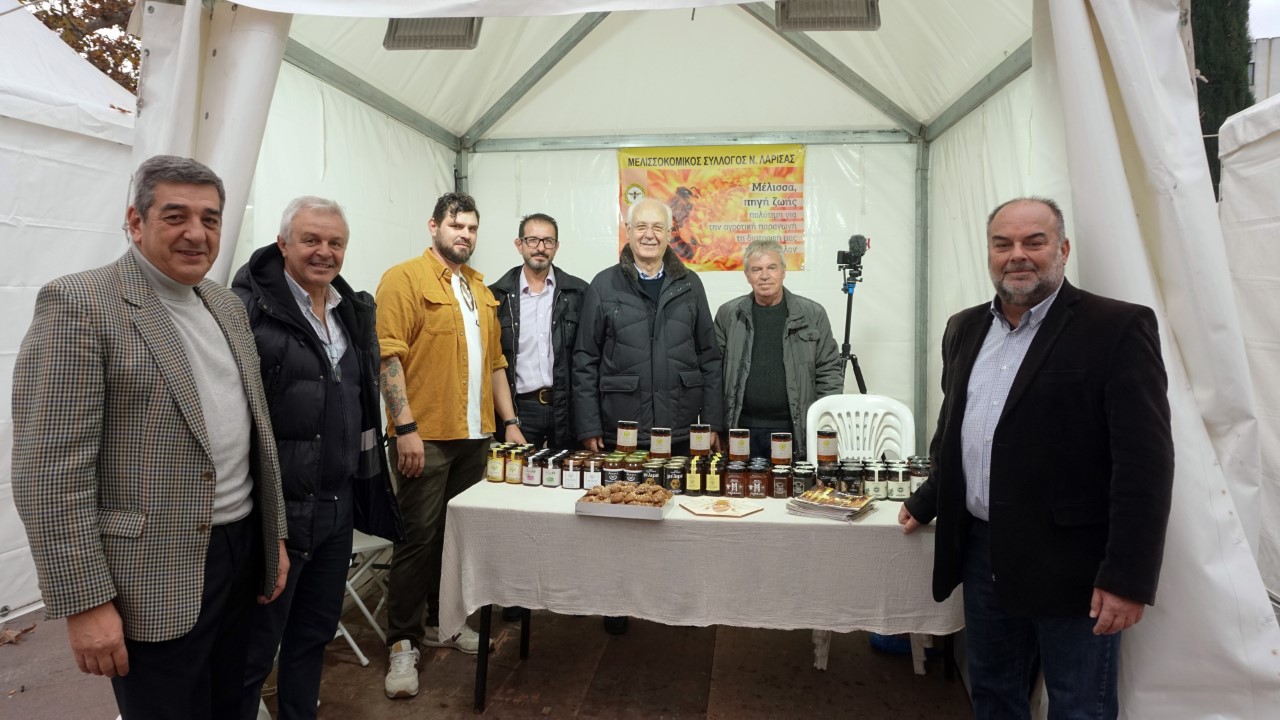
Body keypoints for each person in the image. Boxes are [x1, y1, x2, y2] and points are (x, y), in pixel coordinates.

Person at [11, 155, 289, 720]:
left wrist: (273, 537)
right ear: (135, 222)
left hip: (241, 551)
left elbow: (256, 435)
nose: (197, 233)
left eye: (210, 219)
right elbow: (48, 474)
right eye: (175, 216)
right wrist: (86, 602)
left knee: (235, 702)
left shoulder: (225, 305)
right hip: (151, 574)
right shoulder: (80, 304)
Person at [899, 197, 1174, 719]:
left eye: (1034, 242)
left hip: (1074, 564)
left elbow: (1145, 464)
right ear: (989, 253)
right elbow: (957, 429)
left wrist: (1127, 577)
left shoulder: (1116, 327)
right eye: (1003, 244)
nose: (1017, 255)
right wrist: (928, 497)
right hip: (984, 553)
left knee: (1078, 706)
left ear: (1063, 249)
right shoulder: (963, 328)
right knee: (993, 693)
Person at [232, 197, 403, 719]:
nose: (324, 252)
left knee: (313, 635)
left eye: (335, 243)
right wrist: (268, 526)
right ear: (283, 243)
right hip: (278, 513)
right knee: (253, 650)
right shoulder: (248, 310)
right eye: (311, 240)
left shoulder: (351, 310)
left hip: (336, 506)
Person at [375, 192, 524, 699]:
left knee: (456, 538)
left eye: (472, 228)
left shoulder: (479, 288)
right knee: (417, 540)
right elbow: (389, 358)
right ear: (433, 226)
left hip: (475, 436)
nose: (465, 234)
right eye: (456, 225)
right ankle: (403, 644)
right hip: (426, 436)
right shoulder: (404, 279)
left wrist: (510, 423)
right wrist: (405, 428)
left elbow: (497, 364)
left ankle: (446, 624)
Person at [573, 197, 723, 635]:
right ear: (628, 230)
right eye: (641, 226)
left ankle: (673, 598)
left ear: (670, 232)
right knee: (621, 521)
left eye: (658, 227)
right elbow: (584, 359)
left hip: (680, 427)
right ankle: (617, 601)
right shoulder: (603, 285)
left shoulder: (690, 284)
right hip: (623, 428)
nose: (649, 235)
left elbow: (710, 357)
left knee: (677, 519)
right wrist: (588, 425)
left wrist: (713, 422)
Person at [715, 239, 843, 460]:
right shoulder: (729, 315)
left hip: (795, 431)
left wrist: (823, 425)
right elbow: (713, 374)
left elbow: (829, 372)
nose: (764, 276)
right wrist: (715, 425)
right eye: (757, 269)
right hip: (741, 430)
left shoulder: (812, 314)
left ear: (784, 271)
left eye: (772, 267)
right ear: (747, 275)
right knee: (742, 484)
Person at [489, 212, 588, 451]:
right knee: (519, 473)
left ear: (556, 247)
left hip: (567, 409)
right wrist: (509, 420)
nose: (540, 248)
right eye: (532, 240)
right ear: (519, 244)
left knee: (567, 472)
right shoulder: (496, 297)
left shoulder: (579, 293)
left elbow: (588, 359)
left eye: (548, 241)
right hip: (520, 410)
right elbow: (492, 363)